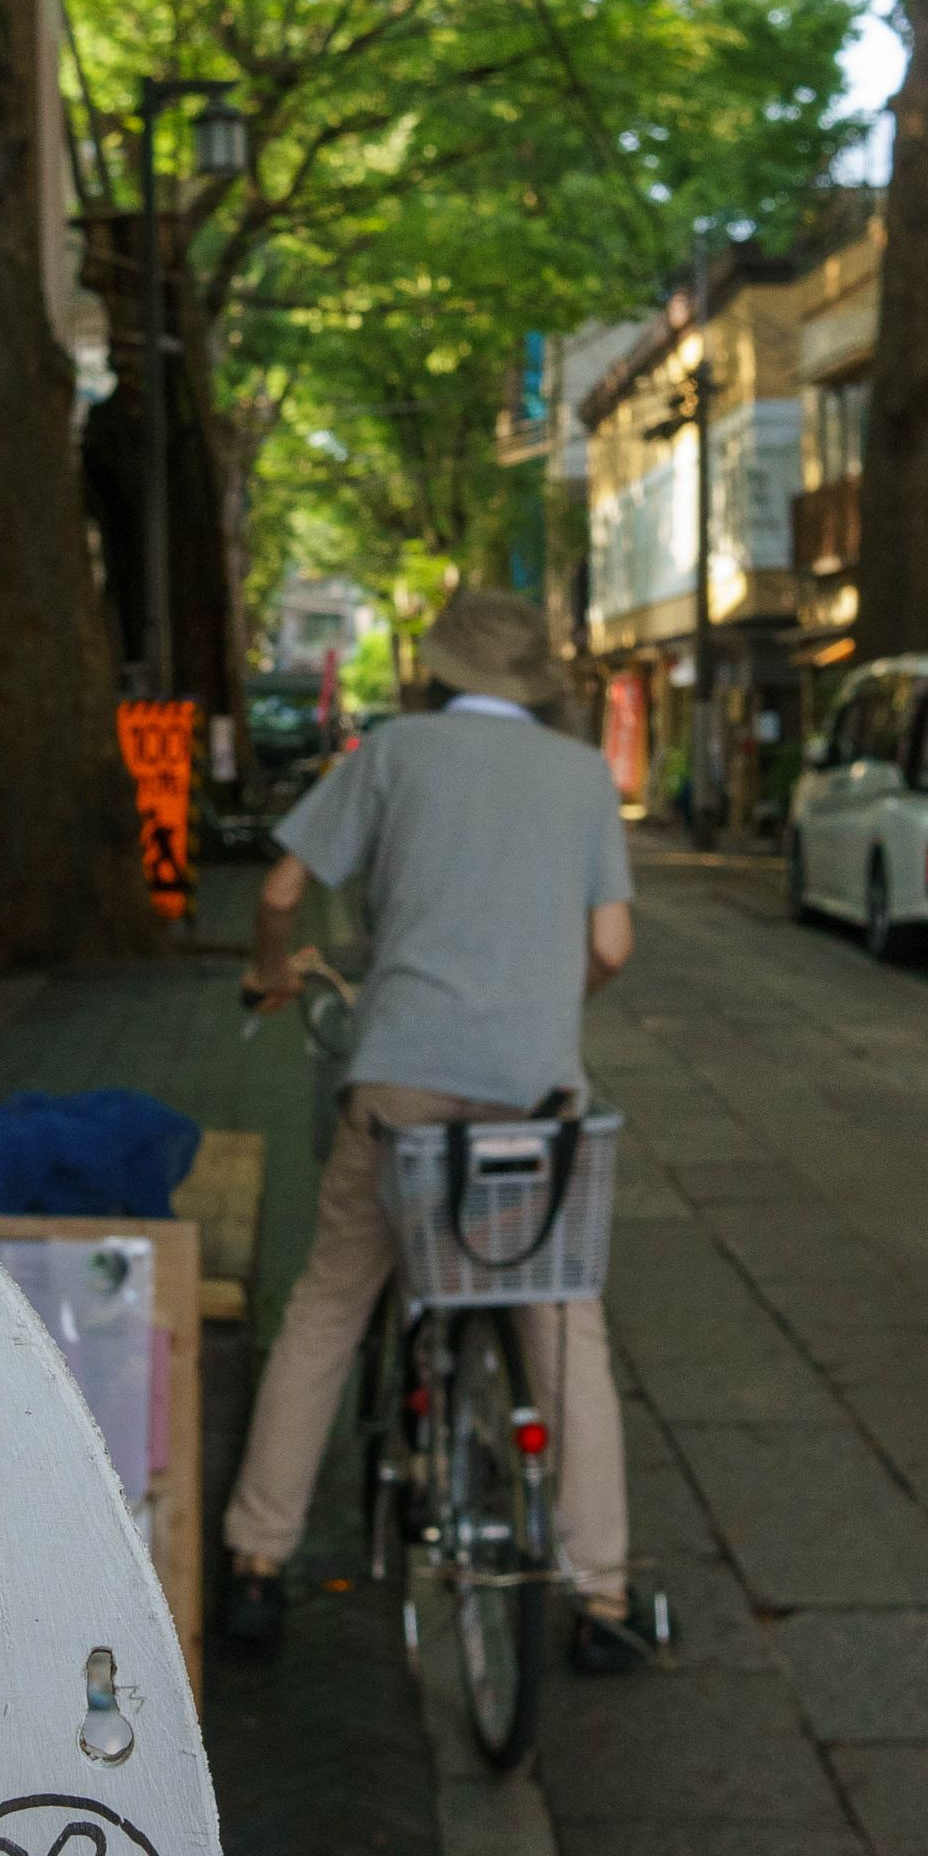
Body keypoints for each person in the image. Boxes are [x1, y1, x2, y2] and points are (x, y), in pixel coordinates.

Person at [222, 587, 647, 1674]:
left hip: (399, 1076)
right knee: (563, 1321)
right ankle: (602, 1593)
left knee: (328, 1302)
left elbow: (280, 892)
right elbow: (611, 946)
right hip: (531, 1093)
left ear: (441, 671)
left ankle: (259, 1559)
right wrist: (538, 1007)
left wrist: (272, 975)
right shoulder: (583, 774)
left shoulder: (391, 751)